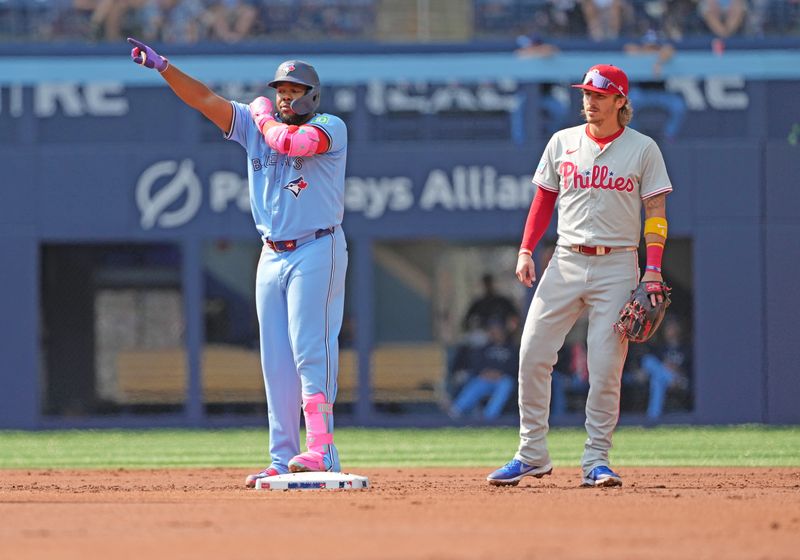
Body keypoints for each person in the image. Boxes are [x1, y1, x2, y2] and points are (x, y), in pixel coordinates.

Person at [127, 39, 349, 488]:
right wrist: (165, 67)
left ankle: (322, 447)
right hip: (271, 252)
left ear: (312, 95)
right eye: (280, 89)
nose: (286, 96)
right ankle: (282, 455)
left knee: (311, 349)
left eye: (295, 89)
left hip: (317, 246)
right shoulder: (253, 121)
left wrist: (264, 114)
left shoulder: (330, 125)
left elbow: (293, 143)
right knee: (276, 361)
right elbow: (204, 99)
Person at [487, 64, 672, 488]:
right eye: (587, 93)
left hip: (618, 264)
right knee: (532, 353)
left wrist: (654, 270)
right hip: (566, 260)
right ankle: (531, 453)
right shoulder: (562, 141)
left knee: (605, 367)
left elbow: (656, 214)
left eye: (600, 95)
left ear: (621, 100)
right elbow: (543, 201)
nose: (590, 101)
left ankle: (596, 461)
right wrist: (525, 250)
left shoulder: (642, 148)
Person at [448, 319, 518, 421]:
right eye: (492, 331)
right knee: (476, 382)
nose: (494, 333)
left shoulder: (512, 349)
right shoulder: (485, 348)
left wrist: (501, 373)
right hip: (486, 378)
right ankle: (456, 410)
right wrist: (485, 372)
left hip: (503, 379)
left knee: (506, 384)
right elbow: (476, 365)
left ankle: (489, 417)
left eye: (497, 330)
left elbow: (515, 367)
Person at [637, 317, 690, 421]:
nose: (670, 330)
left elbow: (690, 369)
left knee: (657, 376)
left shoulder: (686, 349)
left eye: (673, 326)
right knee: (653, 371)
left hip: (681, 380)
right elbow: (653, 366)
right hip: (668, 379)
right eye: (668, 327)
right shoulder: (661, 349)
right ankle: (654, 416)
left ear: (679, 328)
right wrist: (666, 368)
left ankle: (653, 417)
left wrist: (675, 369)